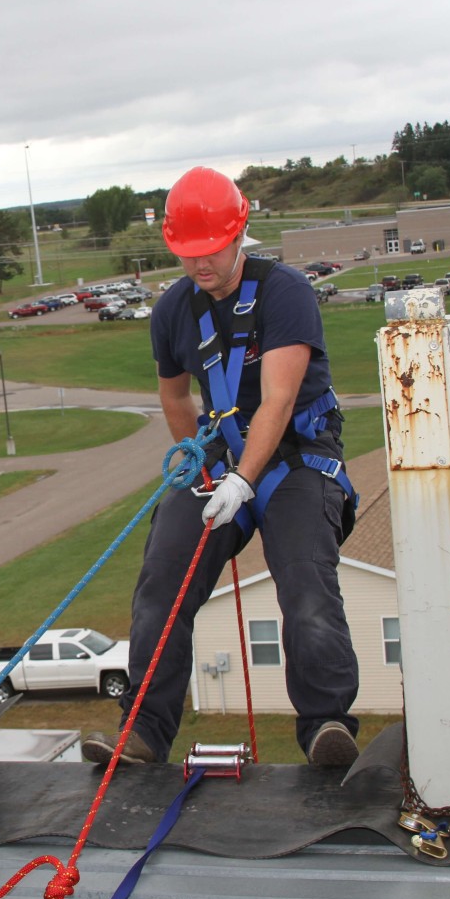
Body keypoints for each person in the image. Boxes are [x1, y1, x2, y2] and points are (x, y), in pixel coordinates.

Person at [82, 167, 361, 769]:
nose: (200, 264)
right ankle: (145, 731)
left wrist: (244, 479)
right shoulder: (174, 311)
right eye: (187, 253)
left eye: (211, 250)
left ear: (240, 234)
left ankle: (326, 724)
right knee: (162, 580)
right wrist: (204, 470)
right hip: (222, 458)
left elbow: (280, 399)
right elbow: (175, 396)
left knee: (305, 583)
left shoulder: (285, 291)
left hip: (295, 459)